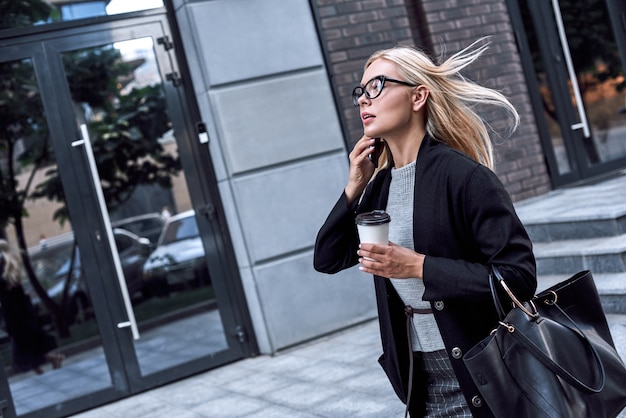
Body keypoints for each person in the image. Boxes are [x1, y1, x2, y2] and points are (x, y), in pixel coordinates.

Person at [314, 39, 537, 418]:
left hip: (482, 370)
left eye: (377, 87)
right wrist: (354, 187)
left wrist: (418, 267)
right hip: (420, 379)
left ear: (418, 97)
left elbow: (518, 277)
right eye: (361, 92)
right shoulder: (379, 187)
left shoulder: (464, 177)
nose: (364, 100)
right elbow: (329, 258)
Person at [0, 239, 64, 375]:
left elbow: (11, 302)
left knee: (21, 359)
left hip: (17, 319)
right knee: (26, 352)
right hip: (21, 318)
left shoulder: (4, 273)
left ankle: (52, 358)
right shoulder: (10, 271)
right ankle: (43, 368)